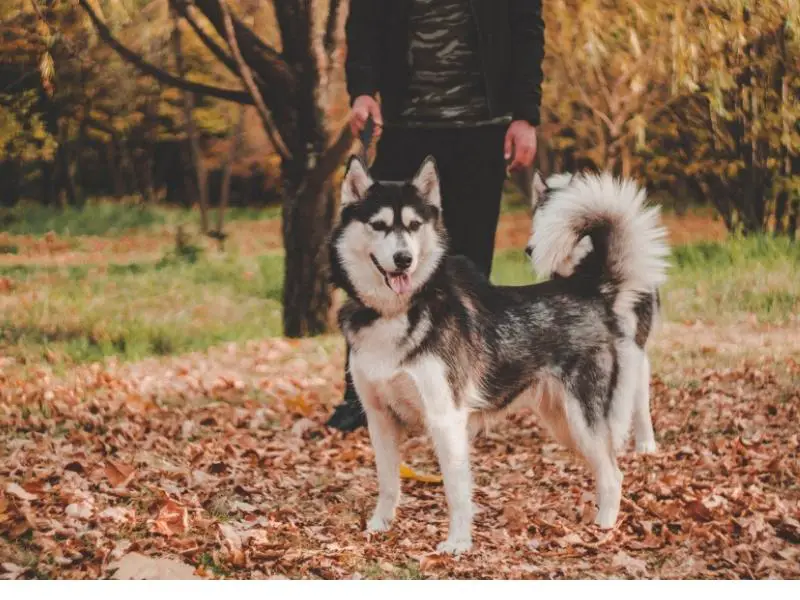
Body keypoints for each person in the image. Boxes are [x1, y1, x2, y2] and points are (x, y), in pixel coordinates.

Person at [327, 0, 545, 431]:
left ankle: (462, 389)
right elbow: (365, 20)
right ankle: (362, 395)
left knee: (468, 266)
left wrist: (526, 115)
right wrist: (363, 91)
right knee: (377, 263)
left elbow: (526, 29)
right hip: (405, 127)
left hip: (483, 127)